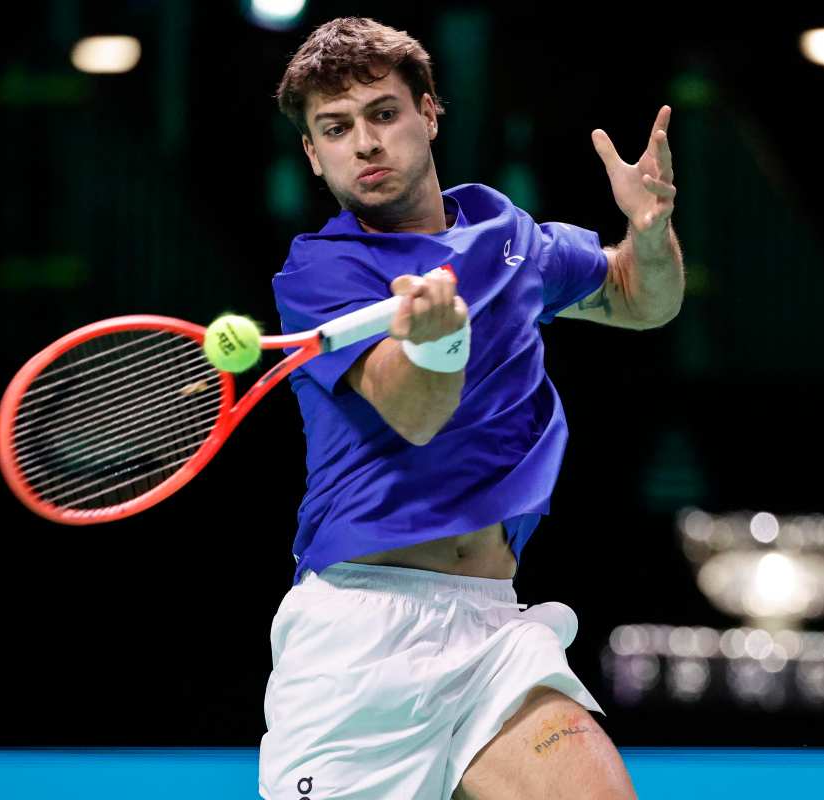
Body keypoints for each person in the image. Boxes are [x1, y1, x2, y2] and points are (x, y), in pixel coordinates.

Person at [260, 16, 683, 799]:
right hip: (360, 639)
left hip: (492, 627)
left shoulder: (511, 237)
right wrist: (436, 344)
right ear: (314, 157)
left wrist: (649, 233)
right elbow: (413, 413)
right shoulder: (321, 272)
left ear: (428, 112)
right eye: (336, 129)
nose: (366, 143)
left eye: (383, 113)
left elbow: (638, 299)